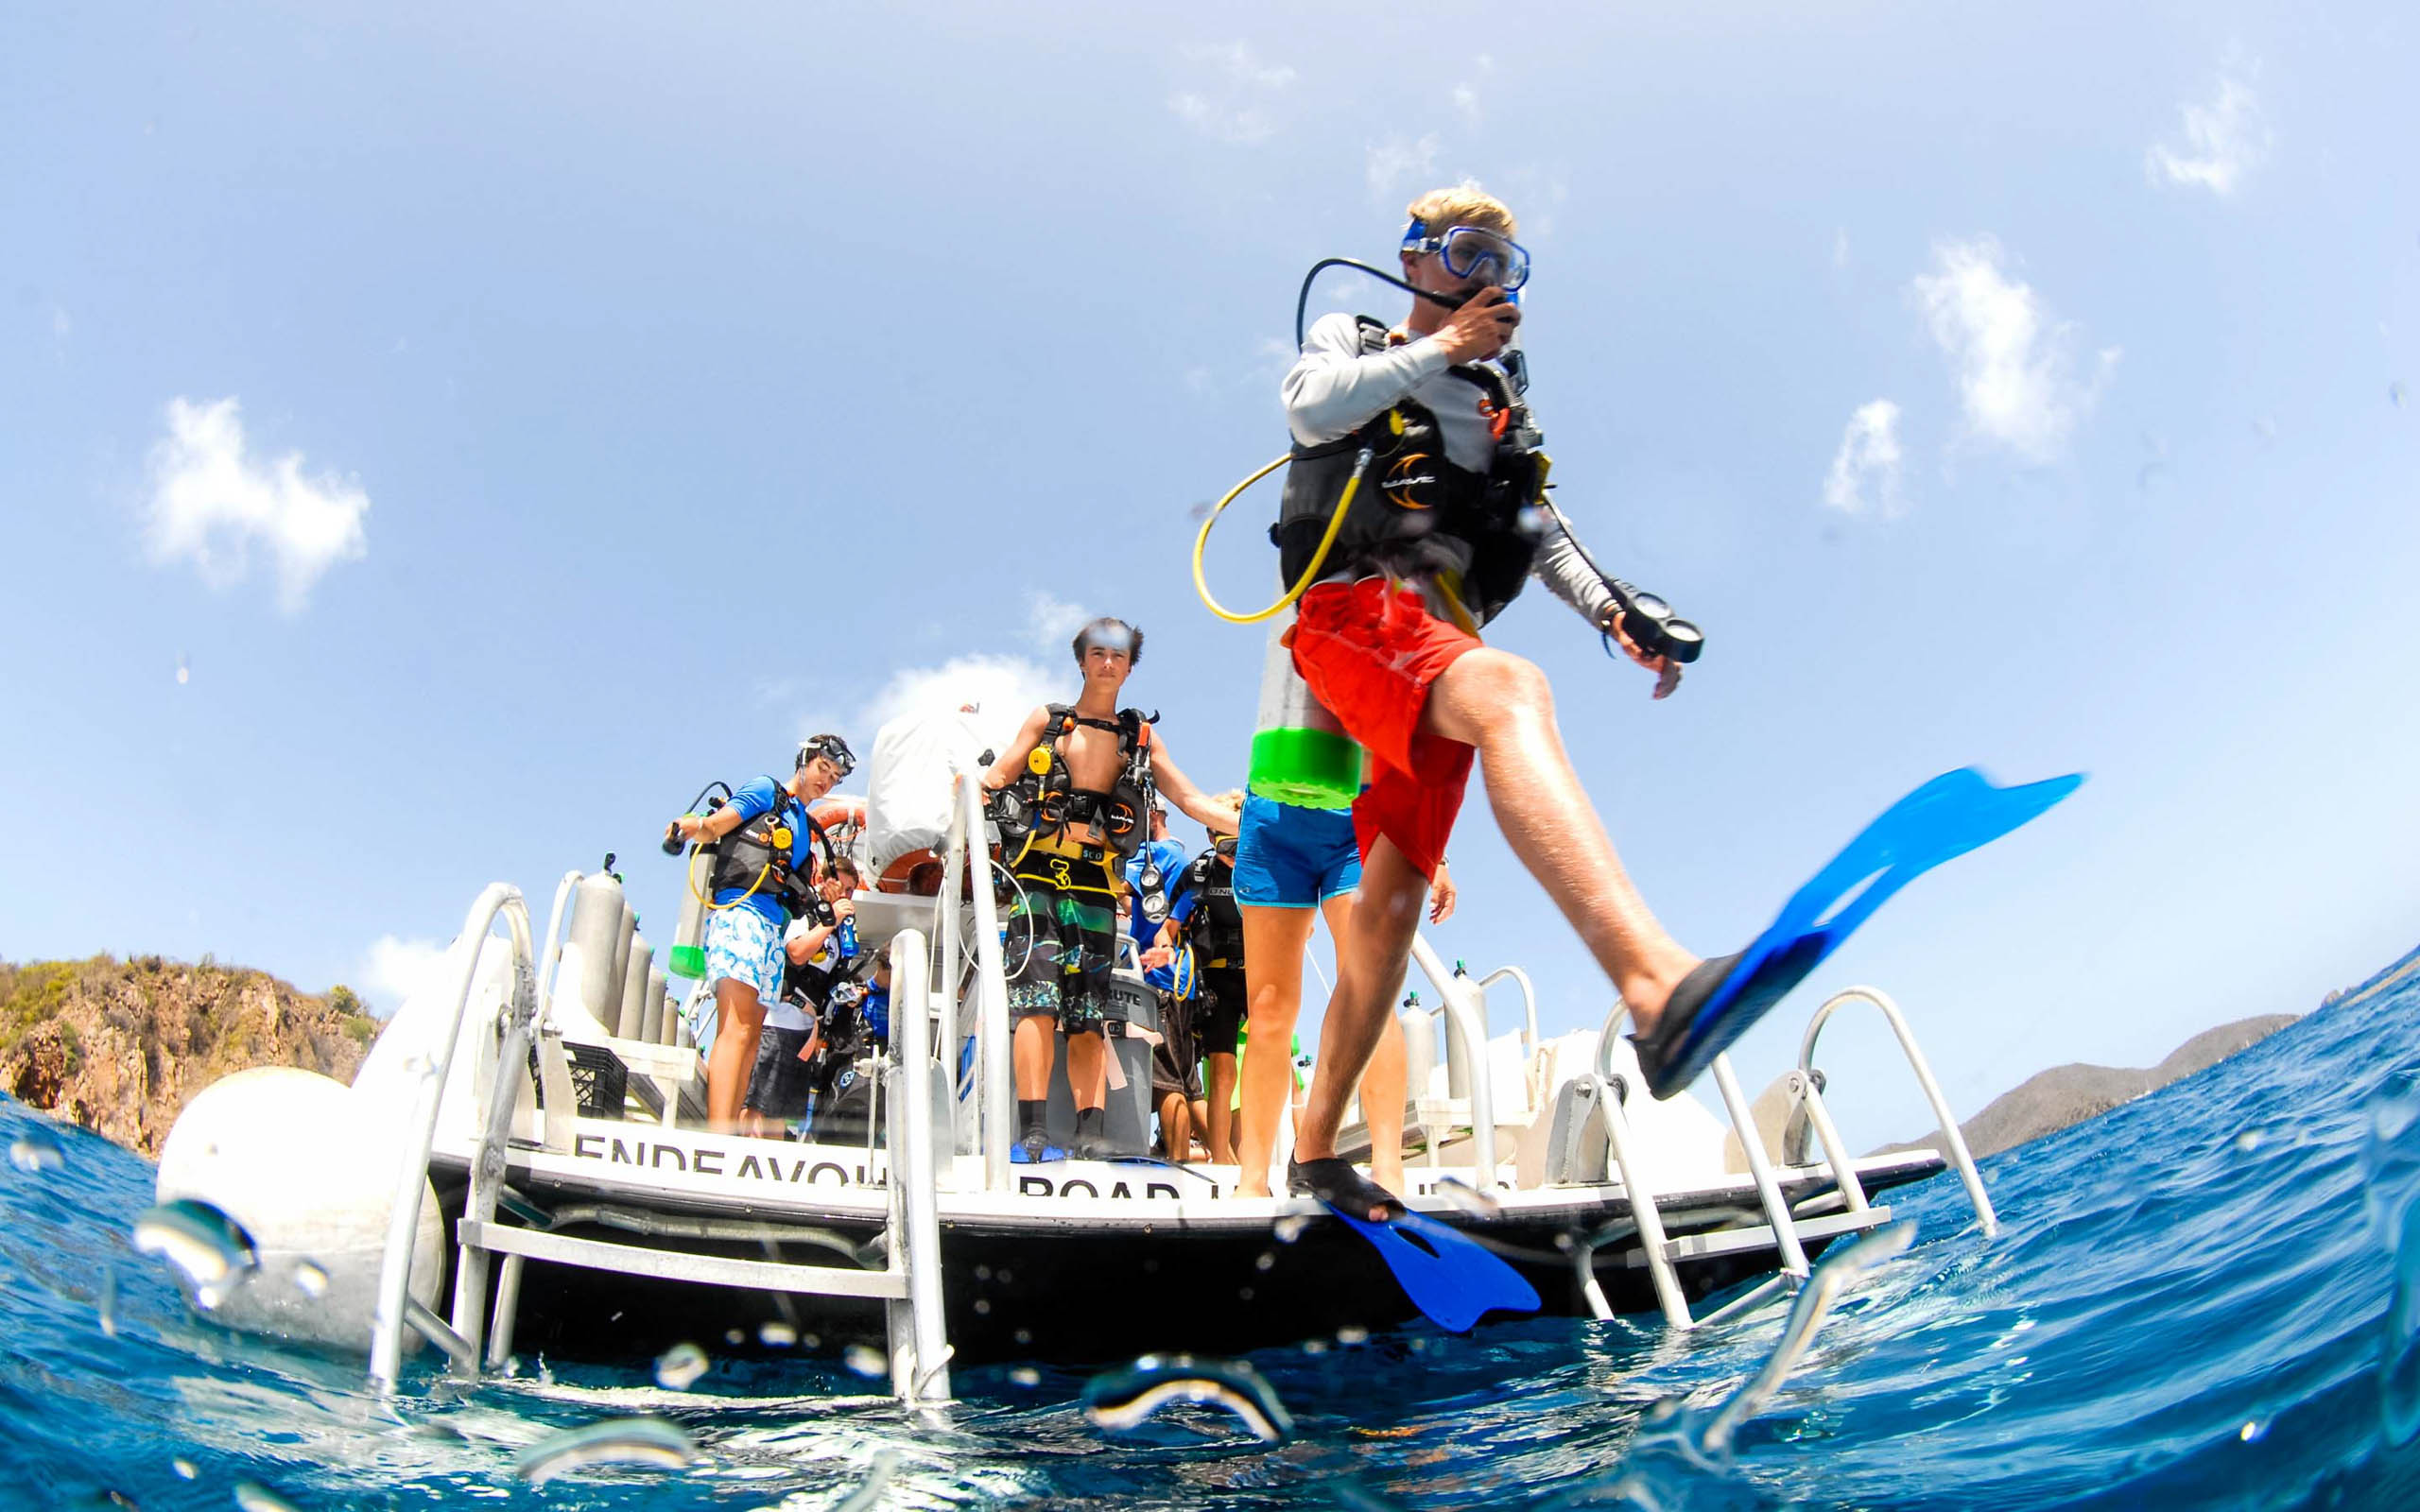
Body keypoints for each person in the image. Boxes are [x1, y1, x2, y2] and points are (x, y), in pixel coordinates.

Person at [1273, 185, 1713, 1218]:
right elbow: (1309, 405)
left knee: (1390, 904)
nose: (1488, 282)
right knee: (1516, 691)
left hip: (1440, 647)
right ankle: (1657, 989)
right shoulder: (1360, 334)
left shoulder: (1500, 398)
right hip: (1353, 612)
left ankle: (1314, 1152)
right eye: (1468, 255)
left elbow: (1545, 532)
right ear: (1416, 259)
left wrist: (1617, 611)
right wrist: (1440, 347)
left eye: (1506, 268)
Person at [979, 617, 1241, 1162]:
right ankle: (1032, 1128)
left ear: (1128, 666)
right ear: (1082, 660)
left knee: (1088, 1015)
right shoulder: (1048, 721)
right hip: (1035, 881)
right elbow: (997, 777)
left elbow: (1192, 800)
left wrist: (1258, 821)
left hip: (1096, 885)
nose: (1107, 663)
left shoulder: (1139, 736)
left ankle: (1090, 1129)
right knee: (1035, 1006)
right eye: (1097, 653)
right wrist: (965, 787)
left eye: (1118, 656)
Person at [1229, 793, 1455, 1197]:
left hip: (1358, 820)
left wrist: (1437, 855)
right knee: (1267, 1012)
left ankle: (1389, 1169)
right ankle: (1253, 1178)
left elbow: (1413, 741)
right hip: (1273, 825)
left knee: (1371, 995)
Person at [665, 734, 856, 1130]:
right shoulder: (766, 790)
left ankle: (729, 1133)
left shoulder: (805, 825)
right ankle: (717, 1137)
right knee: (734, 1028)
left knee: (752, 1034)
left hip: (771, 927)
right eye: (823, 769)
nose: (827, 781)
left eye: (835, 778)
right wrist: (690, 826)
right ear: (804, 760)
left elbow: (796, 886)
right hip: (740, 914)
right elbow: (717, 825)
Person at [1154, 794, 1250, 1161]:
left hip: (1261, 979)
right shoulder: (1200, 873)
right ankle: (1224, 1161)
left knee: (1265, 1067)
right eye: (1224, 843)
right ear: (1210, 837)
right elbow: (1171, 924)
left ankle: (1254, 1157)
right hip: (1218, 981)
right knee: (1222, 1070)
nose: (1232, 854)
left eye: (1239, 844)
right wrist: (1165, 947)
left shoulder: (1262, 868)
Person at [743, 858, 861, 1138]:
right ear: (824, 882)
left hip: (804, 1032)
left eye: (850, 891)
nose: (844, 896)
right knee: (758, 1104)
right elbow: (796, 953)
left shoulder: (839, 937)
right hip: (775, 1022)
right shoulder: (806, 915)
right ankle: (744, 1157)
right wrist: (830, 921)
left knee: (780, 1112)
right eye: (840, 887)